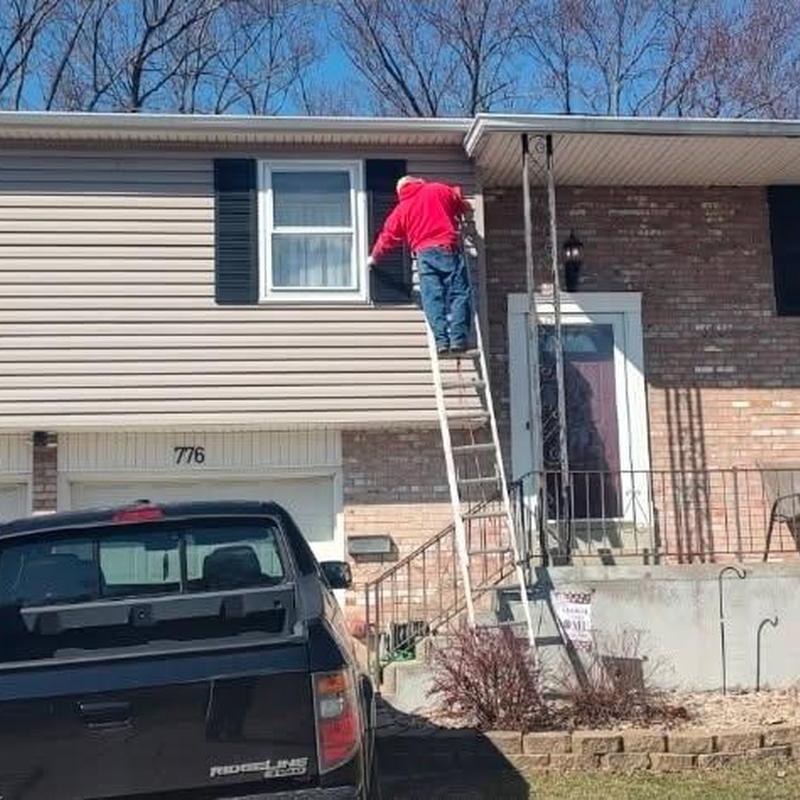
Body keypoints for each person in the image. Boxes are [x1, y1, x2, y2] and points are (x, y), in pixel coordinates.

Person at [367, 176, 472, 354]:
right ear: (418, 181)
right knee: (459, 293)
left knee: (432, 298)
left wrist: (374, 257)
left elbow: (387, 236)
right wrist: (465, 209)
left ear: (400, 191)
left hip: (424, 255)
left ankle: (441, 341)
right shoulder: (438, 189)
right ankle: (458, 340)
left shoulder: (402, 209)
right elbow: (461, 204)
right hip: (446, 248)